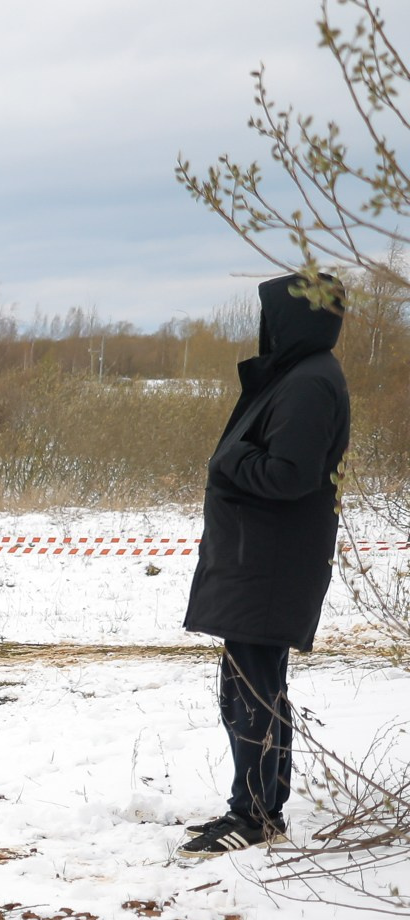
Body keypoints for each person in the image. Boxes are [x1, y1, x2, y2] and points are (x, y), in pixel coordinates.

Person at [179, 272, 352, 857]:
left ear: (292, 319)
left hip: (268, 566)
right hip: (263, 562)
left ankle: (252, 815)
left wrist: (232, 457)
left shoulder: (308, 383)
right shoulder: (302, 376)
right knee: (257, 685)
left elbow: (289, 475)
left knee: (250, 691)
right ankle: (261, 809)